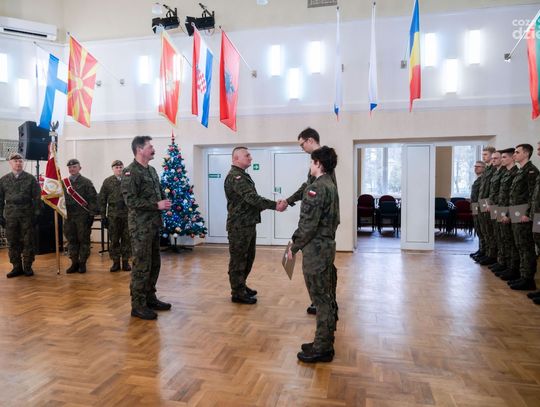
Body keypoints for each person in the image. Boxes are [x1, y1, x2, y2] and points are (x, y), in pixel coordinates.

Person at [288, 146, 340, 363]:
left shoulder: (316, 188)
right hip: (326, 247)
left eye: (311, 162)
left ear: (318, 163)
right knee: (325, 296)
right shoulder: (330, 184)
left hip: (316, 251)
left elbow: (308, 225)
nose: (310, 165)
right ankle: (323, 341)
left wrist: (293, 246)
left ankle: (322, 348)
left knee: (320, 299)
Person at [286, 127, 339, 316]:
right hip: (324, 226)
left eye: (302, 145)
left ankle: (324, 302)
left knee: (320, 268)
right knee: (325, 266)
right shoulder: (322, 164)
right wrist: (289, 200)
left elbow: (312, 193)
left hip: (320, 229)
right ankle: (326, 301)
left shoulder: (323, 164)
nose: (302, 149)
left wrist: (294, 246)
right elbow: (306, 187)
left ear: (310, 140)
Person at [224, 146, 287, 304]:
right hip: (239, 226)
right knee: (239, 259)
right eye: (247, 155)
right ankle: (237, 292)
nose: (250, 158)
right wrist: (275, 205)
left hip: (248, 223)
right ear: (236, 158)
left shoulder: (243, 175)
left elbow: (251, 201)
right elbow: (252, 198)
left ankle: (241, 285)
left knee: (248, 258)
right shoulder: (235, 177)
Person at [121, 136, 172, 320]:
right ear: (139, 149)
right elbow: (130, 201)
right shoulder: (130, 172)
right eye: (150, 146)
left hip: (153, 225)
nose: (153, 149)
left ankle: (150, 298)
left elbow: (157, 192)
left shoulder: (151, 170)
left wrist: (163, 202)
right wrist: (156, 205)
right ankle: (138, 305)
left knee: (154, 264)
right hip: (140, 228)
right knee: (141, 266)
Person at [0, 152, 41, 278]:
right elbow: (0, 200)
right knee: (13, 242)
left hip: (27, 215)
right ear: (10, 163)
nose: (18, 163)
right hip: (10, 215)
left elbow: (37, 198)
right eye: (15, 161)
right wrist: (0, 216)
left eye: (20, 161)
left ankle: (27, 266)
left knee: (28, 242)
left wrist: (37, 214)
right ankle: (16, 267)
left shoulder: (30, 179)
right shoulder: (3, 180)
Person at [507, 143, 538, 291]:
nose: (514, 154)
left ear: (526, 154)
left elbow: (533, 195)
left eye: (517, 152)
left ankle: (528, 279)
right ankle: (522, 275)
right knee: (519, 243)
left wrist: (527, 213)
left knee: (526, 245)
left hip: (523, 211)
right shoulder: (521, 171)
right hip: (516, 210)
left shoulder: (531, 171)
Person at [63, 158, 99, 274]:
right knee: (71, 240)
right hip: (69, 216)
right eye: (70, 167)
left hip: (82, 216)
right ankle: (74, 262)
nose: (72, 169)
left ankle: (82, 263)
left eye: (74, 167)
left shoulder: (86, 182)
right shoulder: (64, 183)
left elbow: (93, 199)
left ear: (80, 168)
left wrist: (91, 215)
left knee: (84, 240)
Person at [99, 160, 132, 272]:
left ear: (123, 168)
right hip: (113, 215)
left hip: (127, 214)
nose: (119, 169)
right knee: (114, 240)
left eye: (120, 167)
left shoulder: (129, 180)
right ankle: (116, 262)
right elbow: (102, 200)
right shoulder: (107, 182)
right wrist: (103, 216)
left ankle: (126, 262)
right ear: (112, 169)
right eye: (116, 167)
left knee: (127, 239)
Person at [495, 148, 520, 281]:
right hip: (501, 208)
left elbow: (515, 197)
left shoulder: (516, 173)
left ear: (511, 158)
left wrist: (508, 214)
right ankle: (506, 265)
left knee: (512, 241)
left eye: (504, 157)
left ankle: (514, 269)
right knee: (504, 238)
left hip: (512, 210)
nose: (501, 159)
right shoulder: (506, 173)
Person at [475, 146, 497, 265]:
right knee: (484, 230)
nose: (483, 157)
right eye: (482, 154)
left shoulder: (494, 170)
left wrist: (489, 204)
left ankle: (491, 255)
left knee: (490, 231)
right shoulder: (488, 170)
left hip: (489, 204)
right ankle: (486, 252)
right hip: (482, 203)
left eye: (485, 154)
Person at [469, 161, 485, 259]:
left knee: (483, 230)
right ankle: (481, 249)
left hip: (480, 206)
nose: (476, 168)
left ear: (484, 168)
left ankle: (484, 251)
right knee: (478, 229)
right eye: (475, 166)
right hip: (475, 206)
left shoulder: (484, 179)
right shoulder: (477, 179)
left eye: (478, 166)